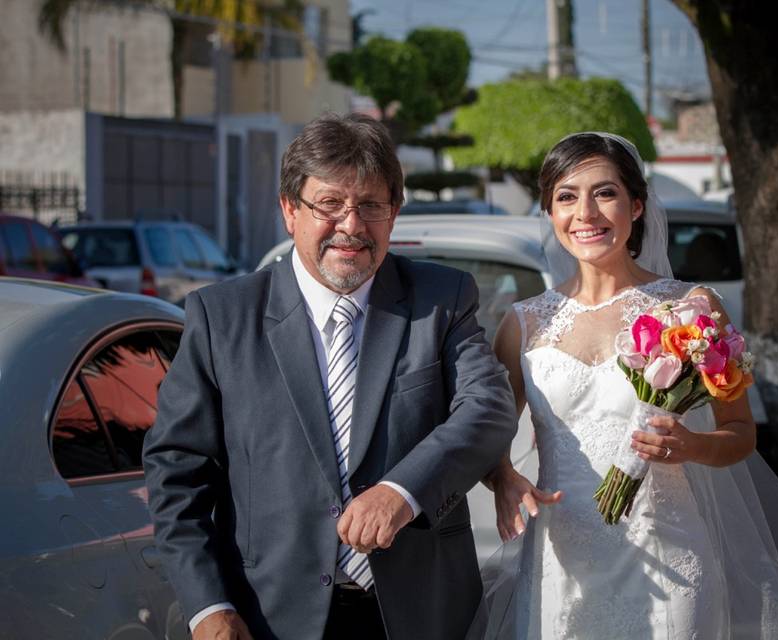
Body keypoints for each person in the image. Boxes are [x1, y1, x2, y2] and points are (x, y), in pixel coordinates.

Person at [477, 132, 778, 638]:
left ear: (636, 205)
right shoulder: (523, 323)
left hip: (670, 551)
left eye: (605, 193)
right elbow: (485, 437)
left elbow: (740, 433)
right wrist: (503, 477)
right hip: (562, 562)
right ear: (549, 211)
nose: (585, 213)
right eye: (566, 196)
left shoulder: (690, 311)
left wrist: (691, 445)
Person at [143, 113, 517, 640]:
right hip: (269, 616)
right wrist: (208, 607)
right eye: (330, 204)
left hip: (420, 612)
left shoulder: (441, 300)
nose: (352, 225)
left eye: (371, 206)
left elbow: (488, 408)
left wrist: (402, 491)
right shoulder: (221, 318)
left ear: (394, 213)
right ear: (289, 210)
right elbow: (177, 473)